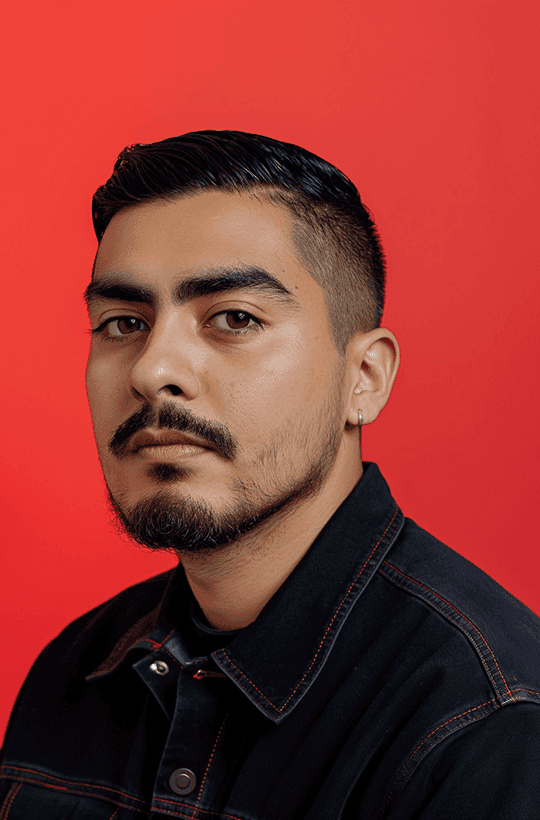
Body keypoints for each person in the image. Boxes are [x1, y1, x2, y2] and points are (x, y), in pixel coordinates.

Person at [2, 131, 540, 820]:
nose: (151, 369)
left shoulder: (484, 724)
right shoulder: (72, 675)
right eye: (122, 322)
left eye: (233, 318)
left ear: (364, 379)